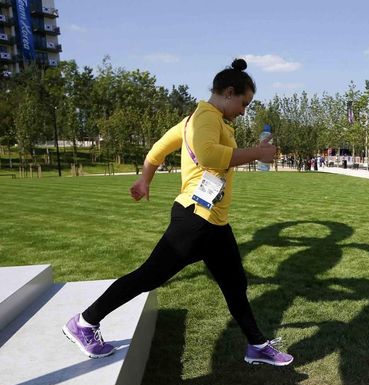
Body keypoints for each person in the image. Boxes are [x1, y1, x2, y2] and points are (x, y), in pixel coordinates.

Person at [61, 59, 293, 367]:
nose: (244, 110)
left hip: (213, 223)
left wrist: (145, 180)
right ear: (228, 92)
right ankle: (85, 322)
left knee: (235, 284)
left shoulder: (198, 121)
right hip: (195, 220)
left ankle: (256, 345)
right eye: (243, 103)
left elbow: (157, 150)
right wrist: (257, 153)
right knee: (148, 276)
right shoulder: (205, 117)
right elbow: (210, 156)